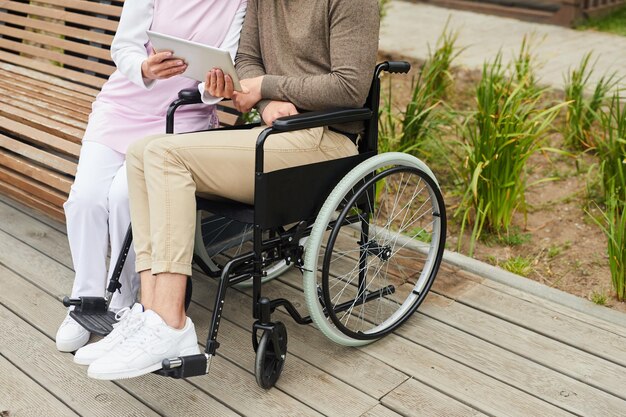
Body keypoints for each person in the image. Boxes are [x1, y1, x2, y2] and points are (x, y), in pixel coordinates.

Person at [85, 0, 380, 380]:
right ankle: (148, 313)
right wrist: (269, 98)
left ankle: (172, 325)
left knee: (163, 156)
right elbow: (247, 62)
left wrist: (265, 87)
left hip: (325, 139)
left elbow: (349, 87)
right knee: (145, 151)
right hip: (273, 134)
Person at [56, 0, 247, 353]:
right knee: (85, 198)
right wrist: (144, 67)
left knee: (124, 197)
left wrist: (213, 90)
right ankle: (86, 298)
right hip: (122, 107)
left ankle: (123, 301)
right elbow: (123, 45)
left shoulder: (238, 3)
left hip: (182, 117)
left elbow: (227, 63)